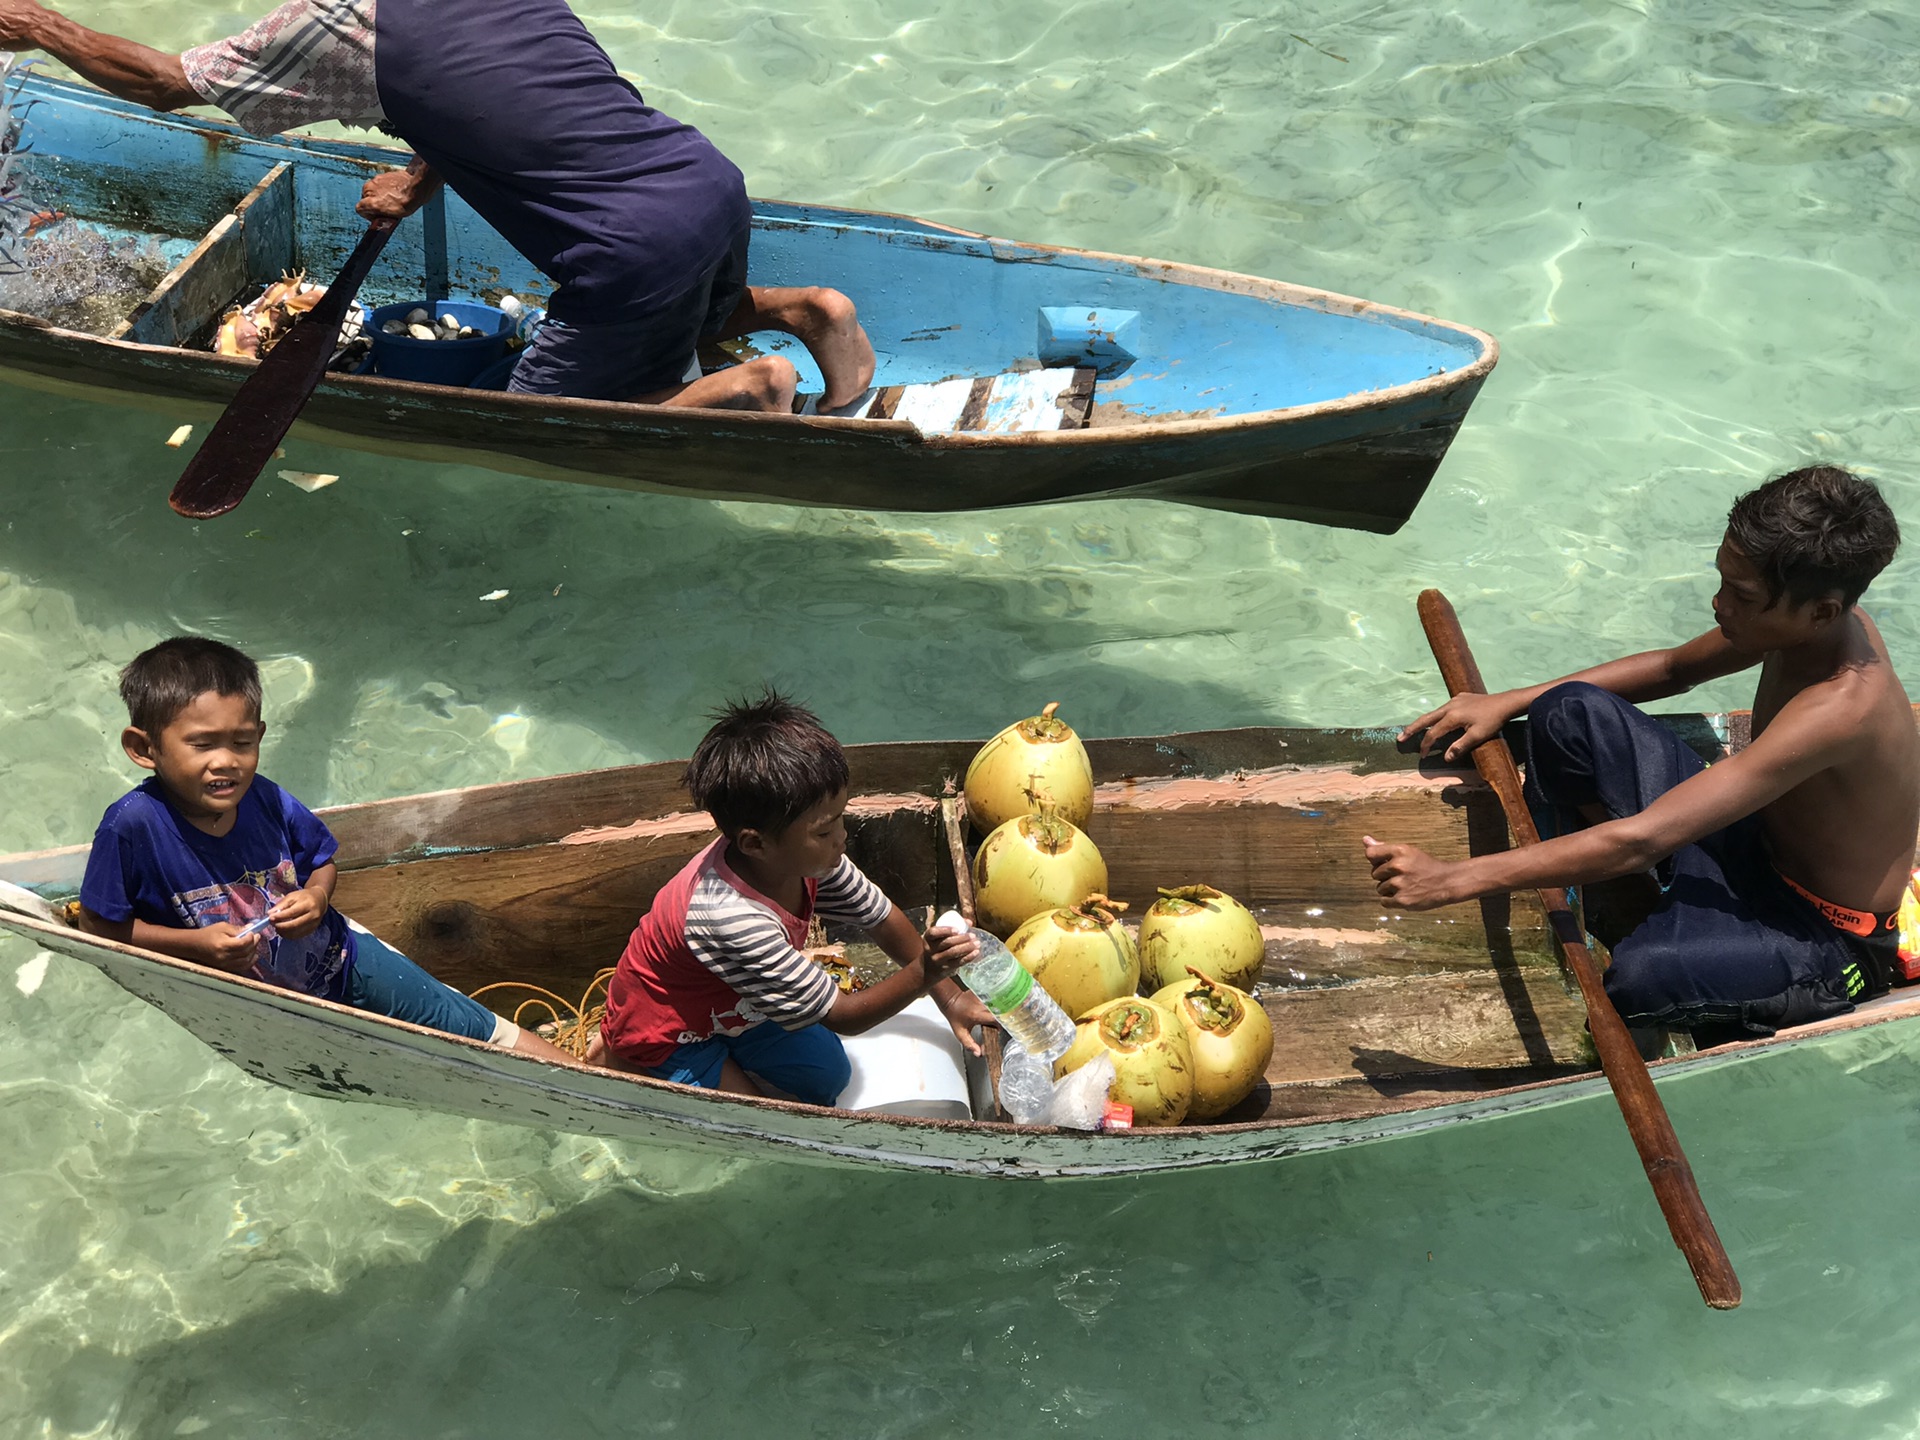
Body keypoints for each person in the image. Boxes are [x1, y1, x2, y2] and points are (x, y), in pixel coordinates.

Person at [0, 0, 875, 411]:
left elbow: (161, 85)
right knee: (693, 307)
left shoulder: (329, 26)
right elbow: (515, 101)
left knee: (535, 420)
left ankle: (753, 384)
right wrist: (422, 177)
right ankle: (808, 310)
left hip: (628, 250)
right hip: (703, 180)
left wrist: (42, 27)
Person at [1365, 465, 1918, 1043]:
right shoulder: (1806, 624)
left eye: (1742, 595)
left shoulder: (1840, 708)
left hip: (1827, 934)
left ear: (1820, 612)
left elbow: (1642, 840)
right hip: (1755, 845)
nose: (1719, 603)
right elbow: (1674, 669)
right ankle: (1640, 893)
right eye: (1723, 580)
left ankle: (1686, 933)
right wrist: (1506, 702)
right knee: (1567, 710)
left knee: (1642, 980)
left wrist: (1453, 880)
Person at [77, 637, 571, 1062]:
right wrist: (195, 946)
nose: (226, 762)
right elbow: (98, 926)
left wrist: (316, 899)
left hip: (340, 958)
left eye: (242, 742)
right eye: (202, 745)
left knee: (468, 1026)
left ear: (260, 738)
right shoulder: (131, 828)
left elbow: (321, 863)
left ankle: (582, 1072)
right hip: (273, 1007)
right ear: (144, 749)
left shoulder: (265, 797)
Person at [585, 691, 992, 1106]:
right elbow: (843, 1017)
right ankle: (622, 1054)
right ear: (755, 844)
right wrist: (925, 970)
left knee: (828, 1078)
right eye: (823, 831)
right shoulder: (729, 918)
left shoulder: (809, 860)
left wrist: (952, 998)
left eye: (840, 820)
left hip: (733, 1009)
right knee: (751, 1120)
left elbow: (879, 916)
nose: (842, 838)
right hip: (668, 1031)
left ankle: (721, 1056)